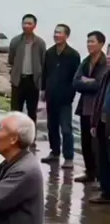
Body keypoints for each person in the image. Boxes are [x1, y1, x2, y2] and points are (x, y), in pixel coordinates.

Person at [40, 24, 80, 170]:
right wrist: (43, 89)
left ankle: (68, 157)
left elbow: (76, 77)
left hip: (65, 99)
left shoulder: (73, 55)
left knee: (66, 129)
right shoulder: (49, 53)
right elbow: (45, 72)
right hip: (51, 96)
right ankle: (54, 152)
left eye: (60, 33)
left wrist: (71, 94)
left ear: (66, 36)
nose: (56, 35)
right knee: (52, 127)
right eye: (55, 32)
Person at [73, 30, 108, 184]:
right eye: (88, 41)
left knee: (97, 144)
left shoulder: (104, 63)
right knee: (85, 141)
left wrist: (86, 81)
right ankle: (89, 172)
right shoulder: (86, 61)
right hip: (85, 107)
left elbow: (100, 85)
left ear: (101, 44)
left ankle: (100, 176)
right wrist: (88, 81)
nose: (89, 44)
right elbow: (75, 82)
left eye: (92, 41)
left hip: (98, 108)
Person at [8, 14, 46, 131]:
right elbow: (11, 59)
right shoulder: (15, 41)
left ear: (34, 26)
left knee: (32, 111)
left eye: (29, 23)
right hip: (18, 81)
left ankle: (30, 135)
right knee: (15, 111)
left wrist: (42, 82)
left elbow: (43, 61)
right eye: (24, 23)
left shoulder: (40, 43)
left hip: (33, 81)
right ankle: (14, 134)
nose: (26, 26)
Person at [90, 56, 110, 204]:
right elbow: (99, 99)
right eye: (108, 53)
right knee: (103, 158)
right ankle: (106, 191)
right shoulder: (106, 75)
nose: (108, 57)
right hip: (102, 122)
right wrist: (94, 123)